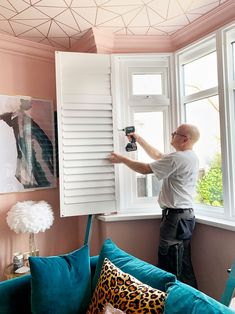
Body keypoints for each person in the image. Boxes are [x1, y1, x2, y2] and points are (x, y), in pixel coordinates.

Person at [108, 123, 200, 288]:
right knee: (183, 264)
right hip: (184, 216)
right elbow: (158, 155)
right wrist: (139, 139)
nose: (172, 134)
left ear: (185, 139)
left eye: (175, 133)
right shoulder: (189, 156)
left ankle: (170, 304)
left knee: (169, 265)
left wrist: (121, 159)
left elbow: (144, 169)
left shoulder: (179, 158)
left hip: (175, 218)